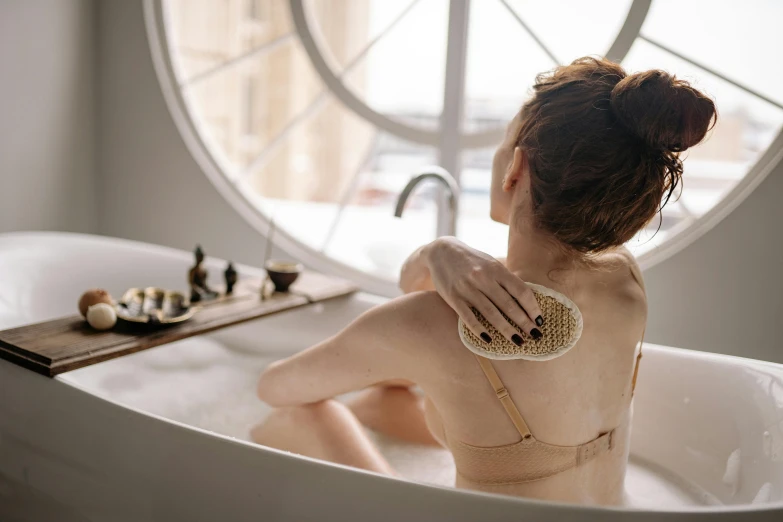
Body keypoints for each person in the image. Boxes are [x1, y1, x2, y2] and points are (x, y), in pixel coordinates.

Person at [251, 57, 716, 505]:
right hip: (614, 507)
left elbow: (274, 386)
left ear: (516, 167)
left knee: (297, 412)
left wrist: (435, 255)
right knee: (384, 399)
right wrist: (439, 252)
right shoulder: (624, 278)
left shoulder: (422, 324)